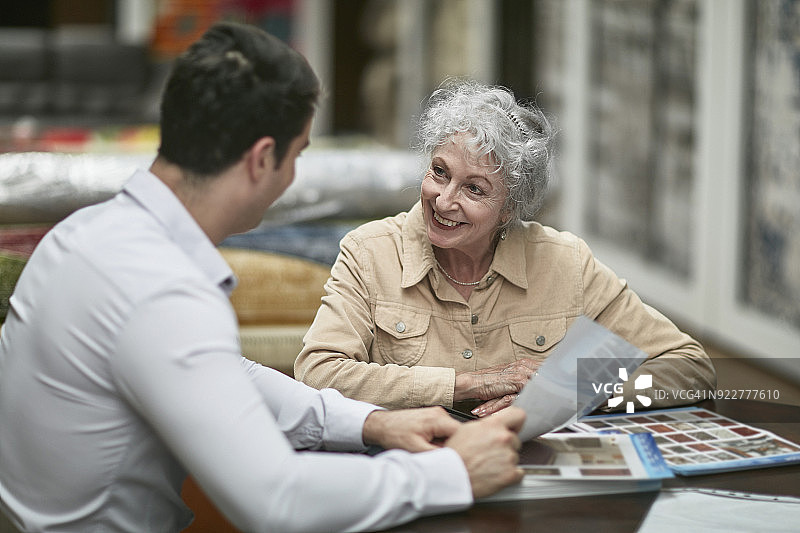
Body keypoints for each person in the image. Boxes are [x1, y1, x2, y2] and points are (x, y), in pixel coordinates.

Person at [0, 23, 527, 533]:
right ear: (261, 160)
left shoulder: (86, 234)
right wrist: (452, 473)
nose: (293, 176)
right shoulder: (162, 288)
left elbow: (222, 374)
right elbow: (278, 502)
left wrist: (371, 422)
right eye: (296, 155)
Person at [294, 79, 716, 417]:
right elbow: (318, 373)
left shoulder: (564, 262)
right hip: (412, 469)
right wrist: (469, 383)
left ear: (508, 209)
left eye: (474, 189)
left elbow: (689, 367)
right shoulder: (369, 253)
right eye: (439, 172)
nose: (443, 200)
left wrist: (573, 393)